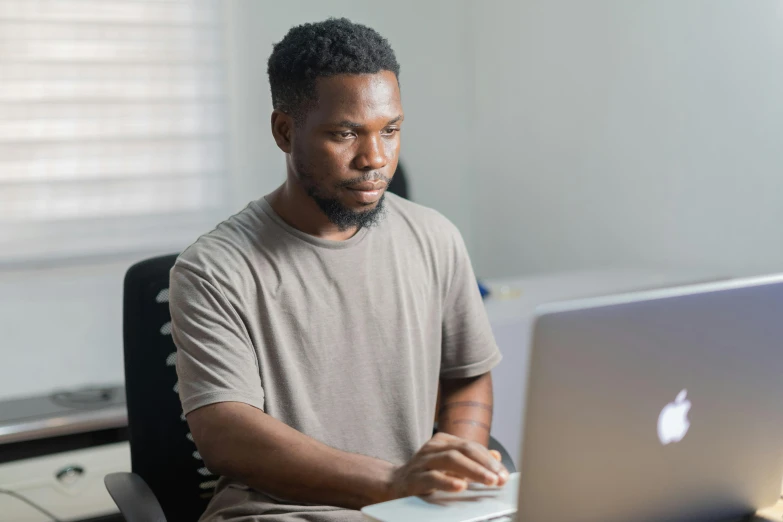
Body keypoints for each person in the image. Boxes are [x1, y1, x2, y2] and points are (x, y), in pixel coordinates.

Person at [169, 18, 507, 522]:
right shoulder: (215, 269)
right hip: (281, 515)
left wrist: (451, 474)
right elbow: (225, 434)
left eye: (390, 130)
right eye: (345, 133)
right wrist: (392, 483)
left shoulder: (435, 237)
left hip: (413, 512)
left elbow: (466, 377)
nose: (375, 159)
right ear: (286, 132)